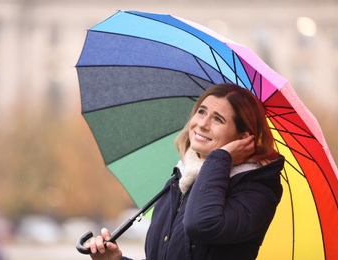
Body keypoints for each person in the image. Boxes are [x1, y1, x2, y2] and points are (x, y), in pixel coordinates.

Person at [87, 83, 285, 260]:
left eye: (218, 119)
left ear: (243, 138)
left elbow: (201, 224)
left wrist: (220, 158)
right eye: (201, 112)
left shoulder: (257, 191)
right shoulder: (180, 180)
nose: (202, 124)